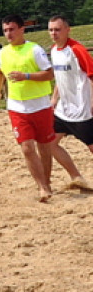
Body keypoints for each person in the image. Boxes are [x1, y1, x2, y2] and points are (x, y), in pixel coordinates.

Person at [0, 15, 58, 201]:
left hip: (40, 105)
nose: (8, 34)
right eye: (5, 30)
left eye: (12, 29)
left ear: (22, 29)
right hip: (17, 107)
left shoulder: (34, 49)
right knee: (27, 148)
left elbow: (49, 74)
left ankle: (47, 181)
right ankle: (42, 187)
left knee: (44, 147)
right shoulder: (2, 53)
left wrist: (26, 76)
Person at [47, 15, 93, 189]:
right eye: (51, 30)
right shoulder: (53, 50)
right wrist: (54, 99)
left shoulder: (77, 50)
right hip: (63, 111)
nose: (54, 33)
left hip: (82, 110)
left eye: (58, 29)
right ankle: (76, 177)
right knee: (49, 143)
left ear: (67, 30)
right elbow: (60, 78)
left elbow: (92, 75)